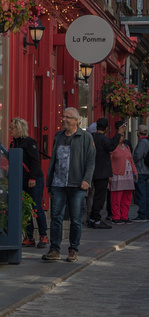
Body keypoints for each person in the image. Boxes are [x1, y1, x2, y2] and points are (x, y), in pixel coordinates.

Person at [42, 107, 95, 263]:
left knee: (76, 219)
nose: (64, 119)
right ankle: (54, 249)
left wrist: (87, 179)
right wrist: (50, 184)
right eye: (63, 116)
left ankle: (73, 250)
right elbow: (54, 161)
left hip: (77, 184)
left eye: (68, 117)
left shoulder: (86, 137)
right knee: (56, 217)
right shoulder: (58, 136)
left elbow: (91, 160)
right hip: (58, 183)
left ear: (76, 121)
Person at [9, 117, 48, 248]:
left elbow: (35, 162)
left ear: (19, 128)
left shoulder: (30, 142)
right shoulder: (13, 144)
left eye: (13, 128)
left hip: (34, 179)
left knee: (36, 207)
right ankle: (29, 237)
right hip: (20, 180)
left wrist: (32, 178)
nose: (10, 130)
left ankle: (43, 235)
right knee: (25, 209)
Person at [87, 118, 123, 229]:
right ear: (106, 128)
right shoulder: (103, 139)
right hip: (102, 171)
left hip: (92, 170)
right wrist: (119, 134)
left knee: (93, 196)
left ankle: (92, 218)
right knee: (100, 197)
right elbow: (111, 147)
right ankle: (96, 219)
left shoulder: (92, 138)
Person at [109, 134, 137, 223]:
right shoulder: (113, 148)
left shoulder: (127, 147)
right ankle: (116, 217)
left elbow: (131, 160)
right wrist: (109, 174)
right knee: (116, 197)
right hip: (117, 174)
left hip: (128, 174)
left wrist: (135, 171)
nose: (121, 138)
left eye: (122, 136)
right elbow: (109, 161)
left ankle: (125, 216)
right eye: (119, 136)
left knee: (127, 197)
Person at [133, 124, 149, 221]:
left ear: (138, 133)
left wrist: (131, 160)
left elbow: (138, 155)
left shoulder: (142, 142)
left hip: (140, 170)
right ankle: (148, 214)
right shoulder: (148, 141)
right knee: (145, 193)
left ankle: (143, 214)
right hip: (146, 171)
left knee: (141, 193)